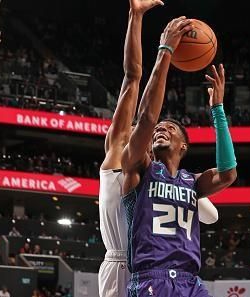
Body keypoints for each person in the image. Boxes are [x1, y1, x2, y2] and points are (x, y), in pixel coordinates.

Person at [121, 18, 237, 296]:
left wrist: (218, 110)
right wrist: (165, 51)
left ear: (183, 146)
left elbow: (228, 173)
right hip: (151, 279)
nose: (161, 128)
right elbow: (148, 117)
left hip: (190, 282)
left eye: (170, 128)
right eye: (158, 128)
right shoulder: (139, 168)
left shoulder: (192, 182)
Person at [97, 0, 163, 297]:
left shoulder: (156, 176)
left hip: (151, 267)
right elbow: (132, 77)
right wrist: (135, 17)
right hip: (120, 265)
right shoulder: (117, 156)